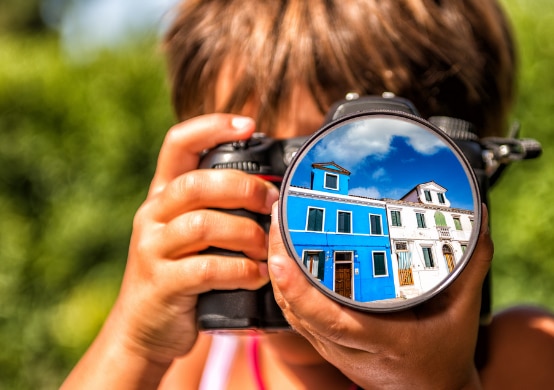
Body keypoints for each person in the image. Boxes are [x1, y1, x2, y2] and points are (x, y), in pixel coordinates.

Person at [61, 0, 554, 389]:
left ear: (475, 176)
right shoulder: (198, 359)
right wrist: (135, 345)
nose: (286, 225)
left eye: (335, 153)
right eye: (271, 166)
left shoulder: (526, 355)